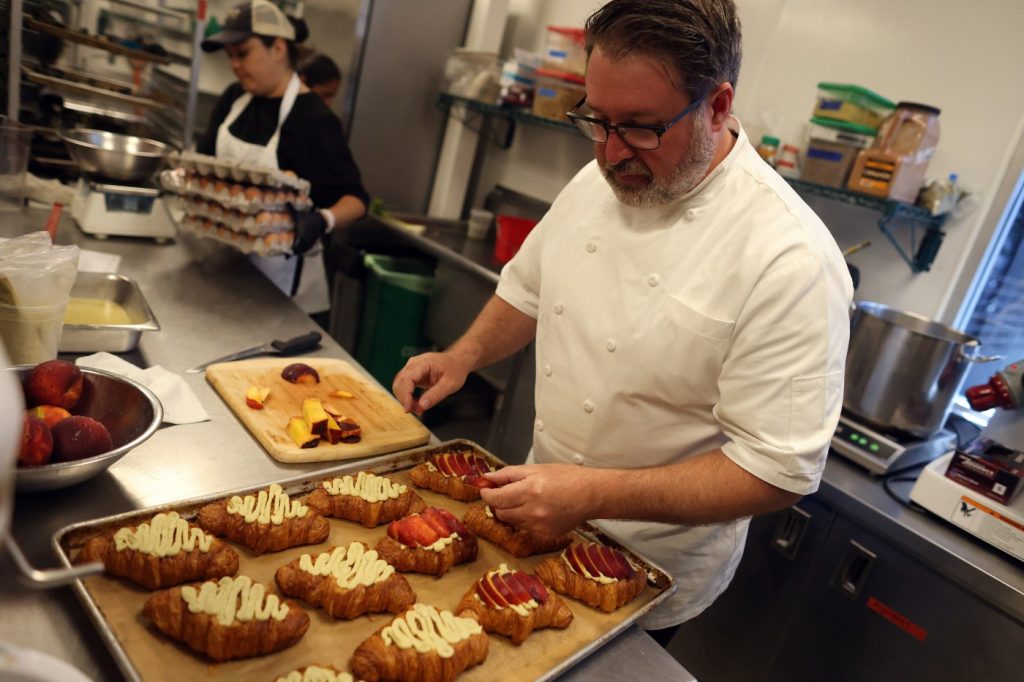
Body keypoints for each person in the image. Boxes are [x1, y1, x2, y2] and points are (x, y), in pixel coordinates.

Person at [392, 0, 853, 645]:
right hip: (536, 515)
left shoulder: (790, 258)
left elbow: (775, 471)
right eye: (595, 120)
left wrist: (592, 494)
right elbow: (528, 289)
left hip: (648, 565)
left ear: (718, 106)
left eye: (639, 127)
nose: (610, 153)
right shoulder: (597, 180)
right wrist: (462, 356)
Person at [198, 0, 369, 315]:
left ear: (277, 48)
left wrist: (321, 220)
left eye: (243, 53)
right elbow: (205, 163)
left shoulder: (314, 119)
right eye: (230, 56)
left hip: (282, 289)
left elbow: (356, 199)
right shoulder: (234, 100)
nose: (234, 64)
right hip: (227, 266)